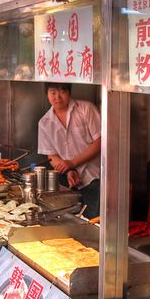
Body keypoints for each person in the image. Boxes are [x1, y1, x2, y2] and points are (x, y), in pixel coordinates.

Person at [38, 83, 101, 219]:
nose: (57, 97)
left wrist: (72, 163)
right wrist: (68, 170)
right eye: (53, 92)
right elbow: (52, 156)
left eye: (62, 92)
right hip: (69, 181)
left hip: (95, 177)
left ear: (69, 92)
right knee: (70, 223)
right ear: (47, 94)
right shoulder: (44, 122)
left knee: (93, 223)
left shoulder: (86, 109)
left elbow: (100, 142)